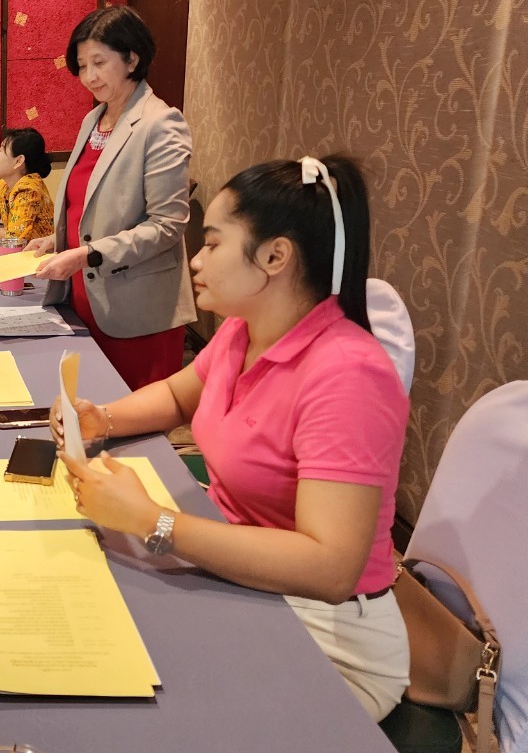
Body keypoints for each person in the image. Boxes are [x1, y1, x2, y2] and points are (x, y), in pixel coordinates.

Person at [53, 155, 410, 722]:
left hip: (326, 636)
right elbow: (178, 396)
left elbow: (330, 568)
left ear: (274, 256)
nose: (196, 259)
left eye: (213, 243)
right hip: (237, 571)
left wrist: (153, 522)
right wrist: (103, 419)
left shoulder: (348, 374)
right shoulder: (245, 330)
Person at [30, 6, 195, 390]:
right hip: (84, 298)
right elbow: (88, 204)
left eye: (99, 63)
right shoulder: (94, 120)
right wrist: (57, 239)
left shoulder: (161, 123)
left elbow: (167, 226)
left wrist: (85, 254)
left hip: (136, 310)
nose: (89, 76)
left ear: (132, 59)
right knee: (89, 406)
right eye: (82, 65)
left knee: (132, 415)